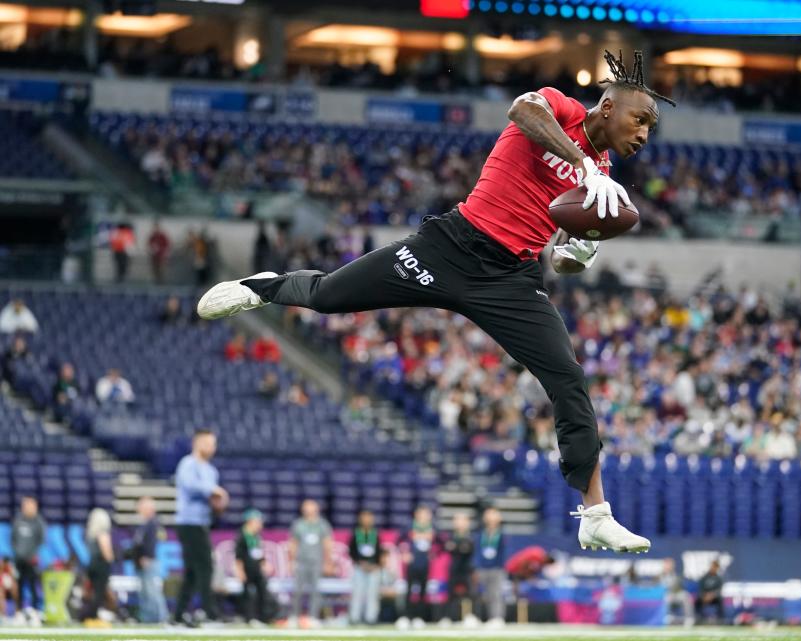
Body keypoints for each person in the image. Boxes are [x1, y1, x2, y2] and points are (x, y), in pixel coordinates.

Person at [196, 48, 671, 554]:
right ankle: (260, 288)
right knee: (329, 296)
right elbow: (522, 110)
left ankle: (594, 513)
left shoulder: (602, 178)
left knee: (568, 378)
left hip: (509, 279)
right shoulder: (563, 111)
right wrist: (584, 167)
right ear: (605, 108)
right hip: (450, 246)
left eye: (649, 127)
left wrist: (582, 245)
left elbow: (563, 261)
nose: (643, 133)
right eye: (639, 119)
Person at [173, 429, 228, 626]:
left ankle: (178, 615)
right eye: (210, 443)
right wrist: (213, 491)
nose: (213, 448)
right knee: (205, 567)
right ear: (198, 443)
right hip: (189, 522)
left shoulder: (211, 470)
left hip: (203, 522)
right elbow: (188, 485)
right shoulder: (188, 464)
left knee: (191, 572)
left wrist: (218, 505)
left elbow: (213, 499)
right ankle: (210, 614)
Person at [289, 499, 333, 627]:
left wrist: (328, 562)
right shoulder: (298, 524)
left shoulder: (322, 525)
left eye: (310, 508)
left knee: (315, 591)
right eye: (306, 508)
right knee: (297, 590)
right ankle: (294, 616)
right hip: (301, 561)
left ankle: (313, 617)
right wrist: (291, 561)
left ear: (316, 509)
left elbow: (327, 544)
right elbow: (293, 544)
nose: (308, 511)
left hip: (316, 562)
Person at [132, 497, 168, 623]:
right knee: (145, 592)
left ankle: (161, 617)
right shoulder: (145, 524)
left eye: (142, 506)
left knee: (152, 591)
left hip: (148, 561)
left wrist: (147, 556)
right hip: (141, 562)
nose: (139, 509)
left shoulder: (152, 523)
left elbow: (151, 542)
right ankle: (147, 618)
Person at [234, 509, 272, 624]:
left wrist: (265, 564)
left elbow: (258, 553)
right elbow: (238, 556)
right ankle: (249, 618)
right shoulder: (242, 536)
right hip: (247, 569)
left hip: (256, 569)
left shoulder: (256, 537)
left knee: (263, 592)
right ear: (250, 522)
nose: (260, 524)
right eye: (258, 521)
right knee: (248, 595)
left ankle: (264, 617)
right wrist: (240, 571)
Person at [401, 506, 436, 625]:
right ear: (416, 514)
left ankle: (419, 617)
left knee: (423, 592)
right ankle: (406, 617)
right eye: (422, 513)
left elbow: (441, 543)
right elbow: (400, 540)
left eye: (427, 514)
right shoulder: (410, 527)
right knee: (409, 591)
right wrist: (404, 552)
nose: (425, 516)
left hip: (425, 564)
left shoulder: (432, 527)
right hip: (412, 564)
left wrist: (434, 552)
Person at [11, 496, 46, 618]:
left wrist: (33, 554)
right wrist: (18, 553)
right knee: (18, 585)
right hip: (19, 560)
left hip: (32, 560)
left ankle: (37, 611)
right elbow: (13, 539)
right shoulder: (18, 520)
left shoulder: (39, 522)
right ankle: (19, 611)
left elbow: (41, 540)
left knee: (33, 585)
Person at [348, 509, 381, 625]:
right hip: (359, 568)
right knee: (357, 593)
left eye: (369, 517)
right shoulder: (356, 533)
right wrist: (360, 563)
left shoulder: (375, 533)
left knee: (372, 594)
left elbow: (378, 551)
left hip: (373, 568)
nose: (367, 520)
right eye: (364, 517)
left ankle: (371, 618)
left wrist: (375, 565)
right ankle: (354, 618)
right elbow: (351, 551)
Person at [82, 508, 114, 623]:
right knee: (99, 592)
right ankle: (92, 615)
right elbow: (107, 552)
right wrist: (111, 560)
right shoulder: (102, 532)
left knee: (93, 591)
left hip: (92, 564)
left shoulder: (90, 534)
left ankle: (89, 614)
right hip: (101, 565)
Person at [475, 507, 505, 625]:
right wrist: (477, 566)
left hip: (497, 568)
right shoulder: (481, 534)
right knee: (481, 594)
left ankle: (497, 617)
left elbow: (504, 552)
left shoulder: (502, 534)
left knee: (496, 594)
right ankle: (480, 617)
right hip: (483, 568)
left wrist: (501, 567)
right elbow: (478, 551)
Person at [443, 512, 474, 622]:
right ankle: (449, 617)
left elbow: (468, 549)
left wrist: (457, 548)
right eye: (457, 520)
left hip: (466, 569)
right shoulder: (451, 536)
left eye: (462, 520)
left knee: (470, 594)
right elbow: (448, 548)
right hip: (454, 568)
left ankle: (470, 616)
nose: (459, 523)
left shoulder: (471, 536)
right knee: (451, 594)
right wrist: (459, 548)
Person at [660, 558, 694, 627]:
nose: (669, 566)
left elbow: (679, 586)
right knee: (666, 597)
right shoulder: (661, 575)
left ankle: (689, 618)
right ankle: (667, 617)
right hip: (668, 595)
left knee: (686, 595)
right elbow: (661, 587)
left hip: (677, 594)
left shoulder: (676, 574)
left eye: (670, 565)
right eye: (667, 564)